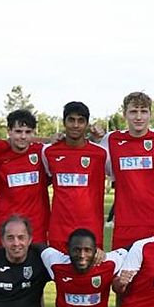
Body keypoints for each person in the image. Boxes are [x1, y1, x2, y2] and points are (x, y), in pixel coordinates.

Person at [101, 91, 154, 250]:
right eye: (133, 111)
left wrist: (151, 182)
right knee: (123, 272)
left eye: (144, 111)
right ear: (124, 114)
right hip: (125, 221)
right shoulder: (111, 139)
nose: (139, 117)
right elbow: (107, 170)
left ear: (150, 114)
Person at [43, 102, 109, 251]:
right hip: (59, 231)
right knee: (58, 274)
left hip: (91, 230)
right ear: (64, 122)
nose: (75, 125)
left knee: (90, 274)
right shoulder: (49, 152)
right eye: (71, 120)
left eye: (80, 121)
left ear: (87, 124)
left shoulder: (101, 154)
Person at [0, 109, 50, 246]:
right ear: (9, 131)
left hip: (37, 227)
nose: (23, 136)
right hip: (7, 226)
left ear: (33, 133)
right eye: (18, 131)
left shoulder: (42, 152)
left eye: (28, 132)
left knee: (38, 266)